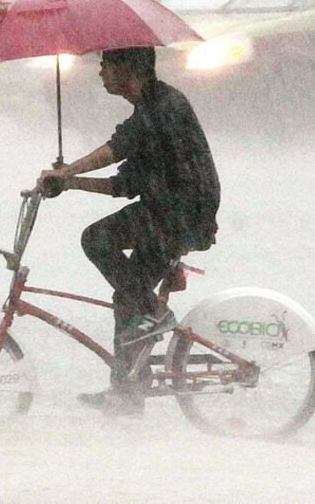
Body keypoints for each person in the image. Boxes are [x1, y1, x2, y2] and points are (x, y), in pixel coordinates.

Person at [36, 46, 220, 414]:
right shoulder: (147, 109)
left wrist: (68, 171)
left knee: (97, 239)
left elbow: (116, 148)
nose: (101, 73)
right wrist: (69, 183)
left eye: (106, 65)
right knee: (127, 298)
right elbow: (124, 184)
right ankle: (127, 392)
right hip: (164, 210)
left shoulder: (164, 106)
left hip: (182, 212)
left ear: (130, 68)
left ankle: (152, 312)